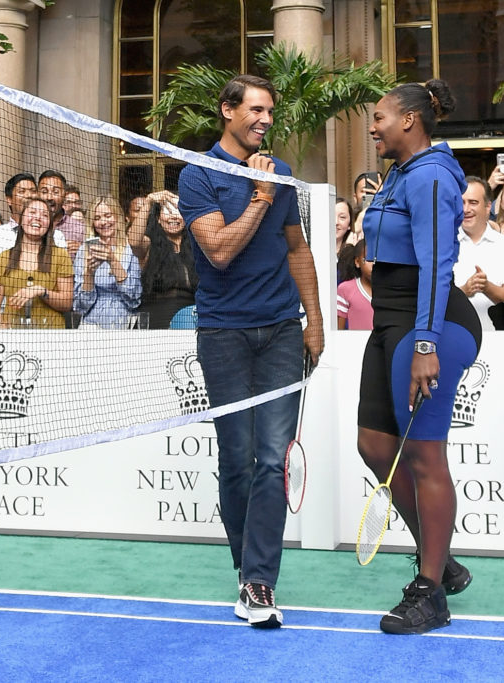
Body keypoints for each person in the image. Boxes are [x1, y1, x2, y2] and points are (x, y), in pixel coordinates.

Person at [177, 74, 324, 629]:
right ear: (227, 112)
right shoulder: (198, 175)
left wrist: (313, 321)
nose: (265, 119)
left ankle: (260, 581)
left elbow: (297, 248)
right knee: (236, 461)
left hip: (283, 331)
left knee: (271, 459)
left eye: (269, 112)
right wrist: (260, 197)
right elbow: (217, 250)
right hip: (224, 337)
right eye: (256, 110)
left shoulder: (282, 172)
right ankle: (246, 567)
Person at [357, 79, 481, 635]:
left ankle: (431, 592)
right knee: (375, 445)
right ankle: (442, 557)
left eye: (380, 116)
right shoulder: (400, 173)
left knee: (425, 458)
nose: (372, 125)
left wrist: (426, 343)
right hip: (391, 319)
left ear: (409, 120)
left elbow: (437, 264)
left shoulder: (431, 174)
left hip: (428, 323)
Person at [452, 175, 504, 331]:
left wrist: (487, 287)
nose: (466, 209)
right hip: (455, 336)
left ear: (488, 207)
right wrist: (464, 290)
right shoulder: (443, 245)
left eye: (473, 202)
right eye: (461, 202)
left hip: (499, 338)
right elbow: (432, 297)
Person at [0, 197, 73, 329]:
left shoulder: (60, 256)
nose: (37, 218)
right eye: (32, 212)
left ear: (49, 224)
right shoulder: (4, 258)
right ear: (21, 219)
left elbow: (67, 303)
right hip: (12, 336)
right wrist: (2, 330)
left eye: (44, 215)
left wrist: (41, 291)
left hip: (51, 336)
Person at [127, 190, 198, 329]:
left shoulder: (197, 245)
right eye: (167, 211)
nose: (173, 217)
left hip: (190, 321)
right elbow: (134, 241)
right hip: (156, 322)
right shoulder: (149, 244)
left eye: (177, 211)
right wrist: (148, 202)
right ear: (158, 218)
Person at [74, 195, 142, 328]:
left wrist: (113, 261)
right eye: (97, 218)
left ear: (117, 217)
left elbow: (134, 299)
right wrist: (89, 273)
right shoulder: (84, 251)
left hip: (123, 324)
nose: (103, 222)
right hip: (91, 326)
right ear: (92, 223)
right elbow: (80, 306)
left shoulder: (130, 249)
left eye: (108, 215)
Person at [0, 173, 67, 265]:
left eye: (33, 191)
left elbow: (60, 269)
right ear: (9, 199)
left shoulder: (56, 236)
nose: (28, 195)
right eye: (22, 191)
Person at [38, 170, 86, 259]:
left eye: (55, 192)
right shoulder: (30, 226)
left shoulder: (79, 228)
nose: (49, 197)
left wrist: (82, 251)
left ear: (64, 195)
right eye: (44, 192)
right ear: (38, 194)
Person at [337, 238, 373, 330]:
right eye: (369, 259)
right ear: (357, 262)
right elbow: (338, 330)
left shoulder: (390, 290)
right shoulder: (345, 289)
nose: (374, 264)